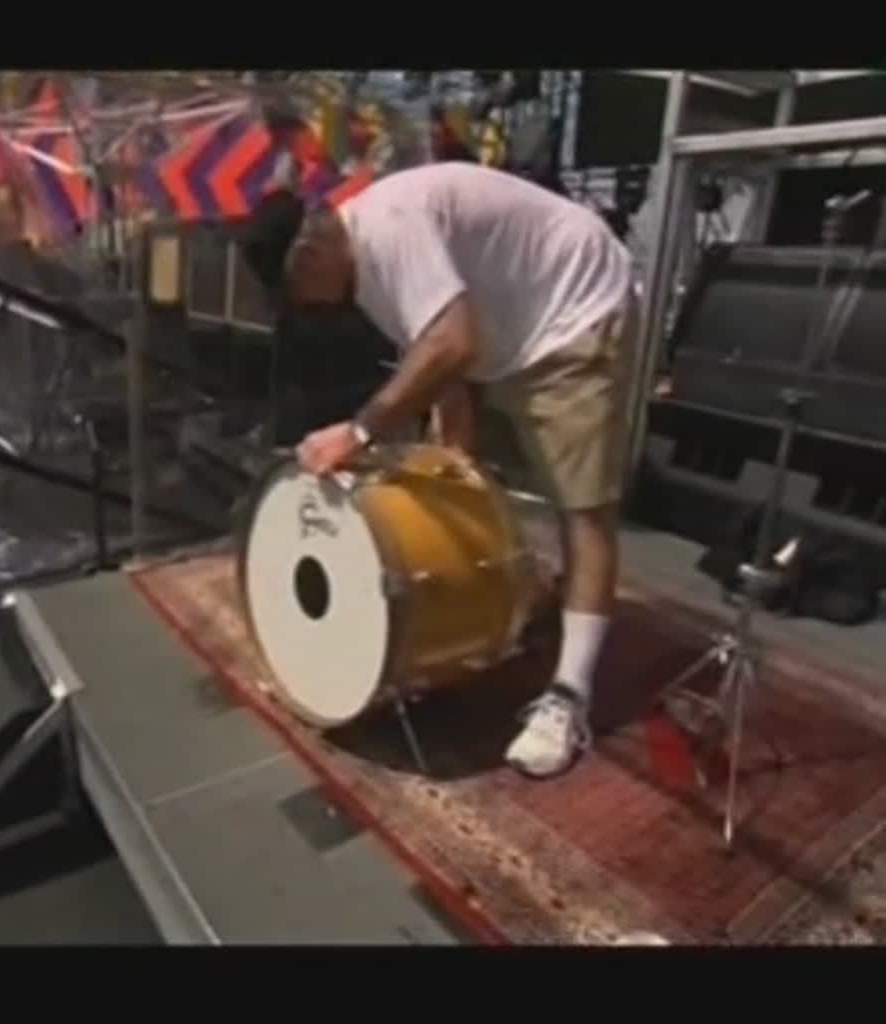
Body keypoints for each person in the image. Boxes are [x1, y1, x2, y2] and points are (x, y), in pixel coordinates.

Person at [252, 162, 637, 780]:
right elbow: (440, 357)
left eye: (301, 290)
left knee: (583, 510)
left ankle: (569, 697)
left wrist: (358, 431)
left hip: (575, 309)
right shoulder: (366, 265)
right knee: (463, 467)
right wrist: (452, 457)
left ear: (309, 252)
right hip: (505, 324)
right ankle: (510, 598)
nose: (313, 306)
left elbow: (452, 342)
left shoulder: (389, 228)